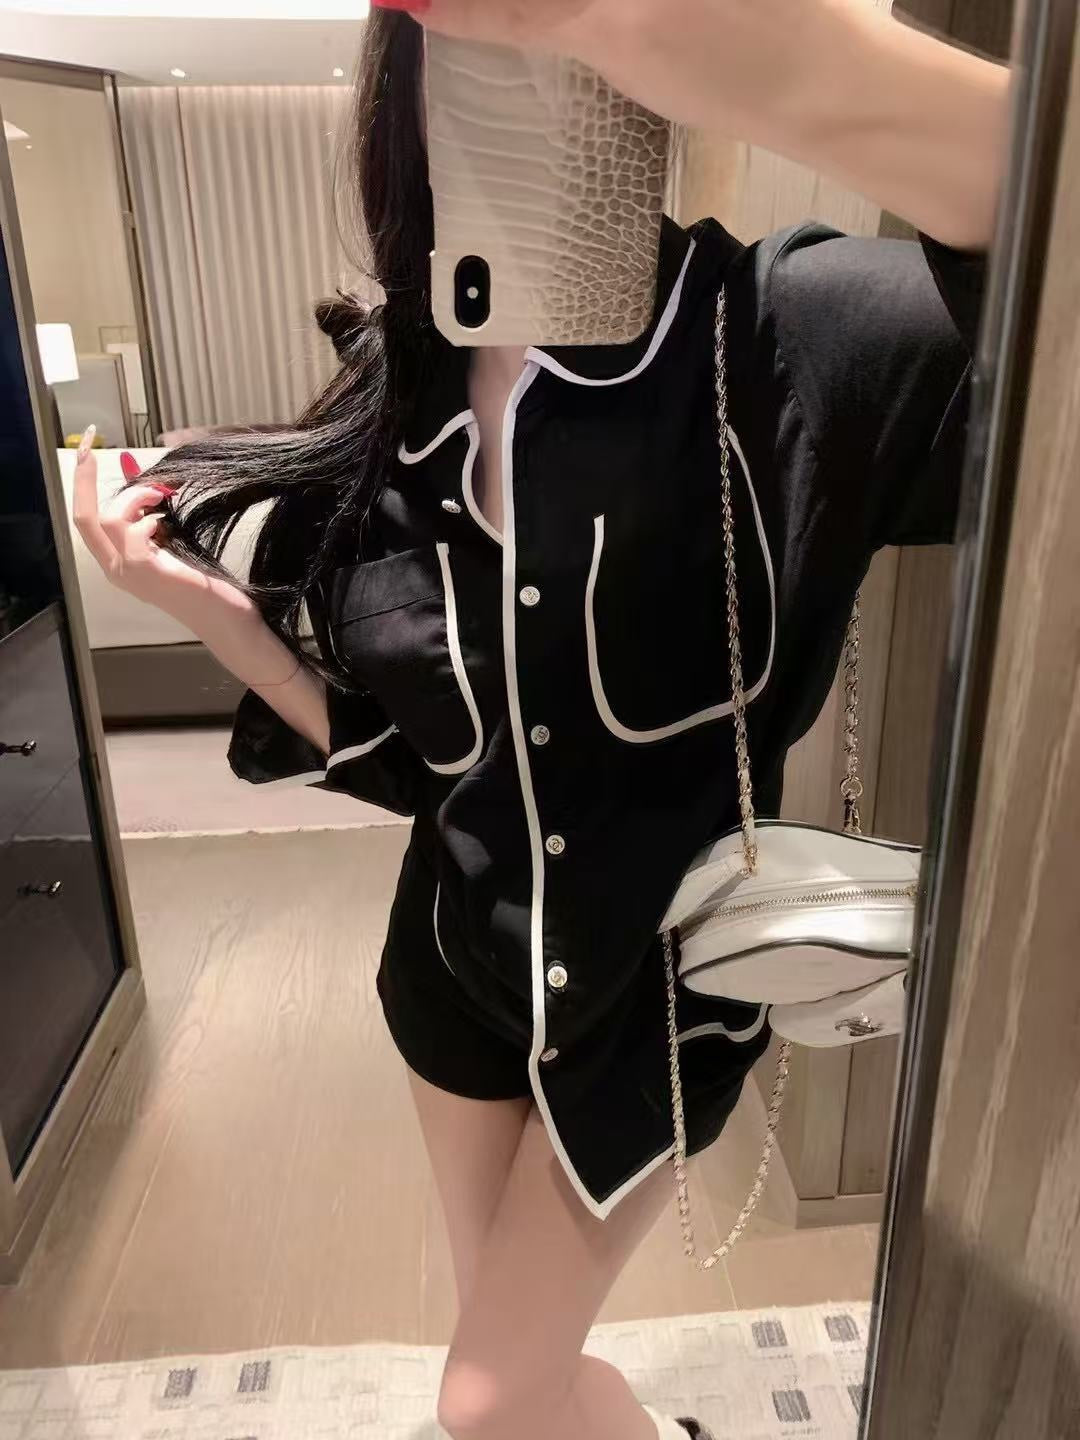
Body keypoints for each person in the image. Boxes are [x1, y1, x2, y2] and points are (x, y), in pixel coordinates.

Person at [73, 4, 1008, 1437]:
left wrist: (794, 64)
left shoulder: (776, 339)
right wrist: (209, 615)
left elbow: (1047, 257)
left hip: (648, 1005)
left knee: (486, 1400)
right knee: (531, 1387)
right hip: (451, 980)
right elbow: (419, 766)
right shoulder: (402, 394)